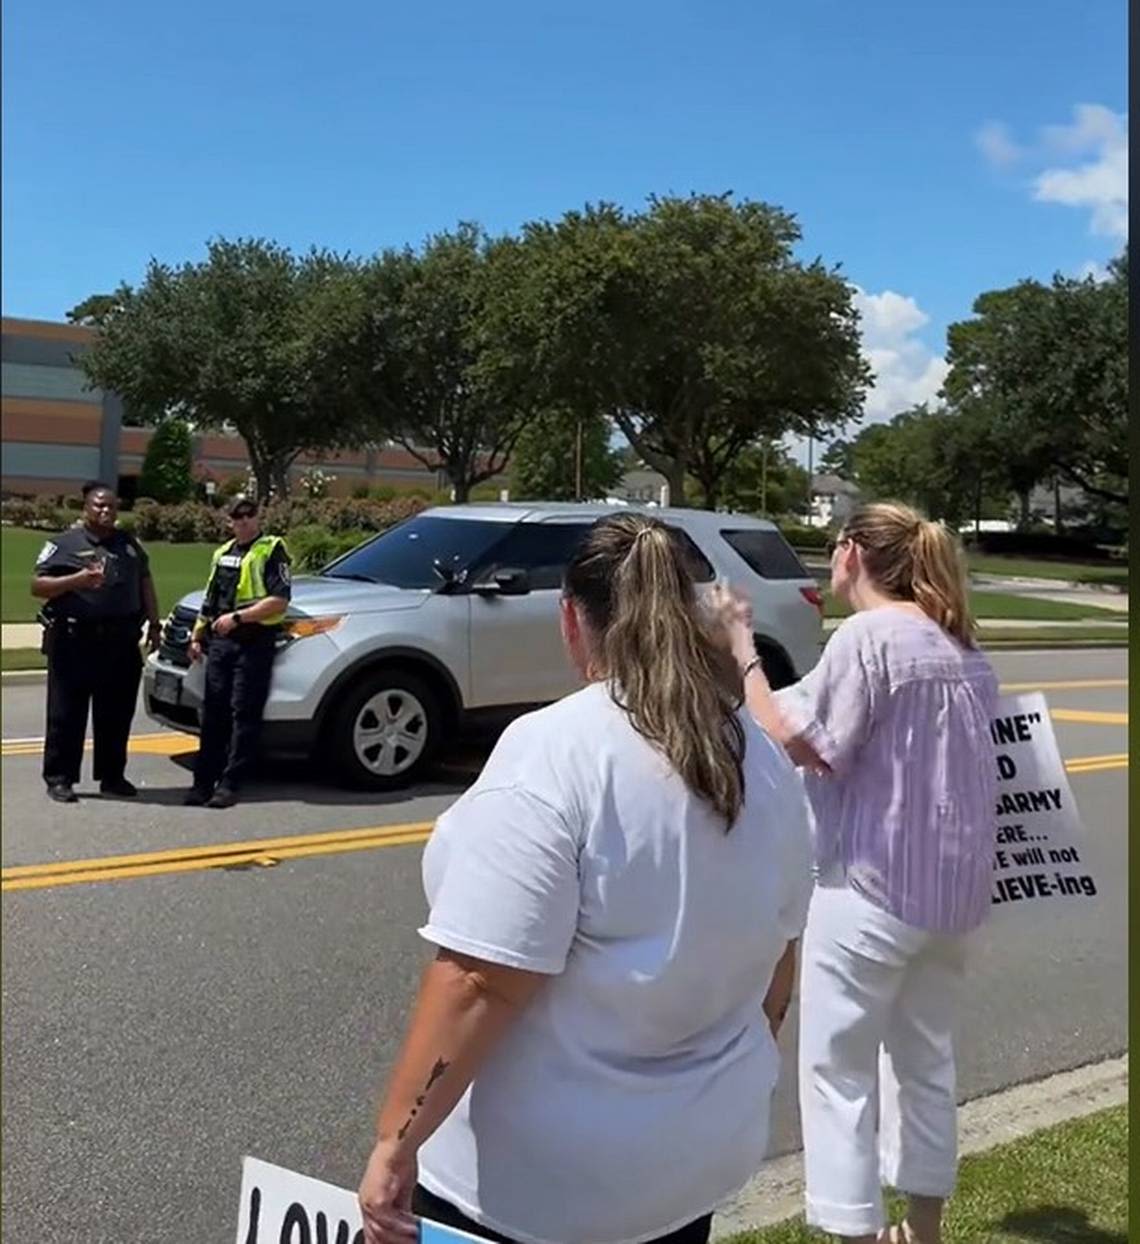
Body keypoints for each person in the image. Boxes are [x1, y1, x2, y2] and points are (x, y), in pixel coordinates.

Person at [357, 513, 813, 1244]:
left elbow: (479, 981)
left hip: (533, 1195)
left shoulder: (550, 752)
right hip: (694, 1166)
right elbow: (777, 968)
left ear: (572, 619)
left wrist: (395, 1142)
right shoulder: (759, 757)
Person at [720, 502, 999, 1244]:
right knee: (924, 1064)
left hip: (869, 890)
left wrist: (742, 645)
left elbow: (796, 736)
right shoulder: (962, 646)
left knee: (838, 1071)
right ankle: (924, 1228)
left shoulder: (869, 638)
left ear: (851, 553)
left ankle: (855, 1234)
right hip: (953, 901)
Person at [31, 481, 162, 803]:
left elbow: (145, 583)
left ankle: (113, 776)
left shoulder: (128, 544)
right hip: (74, 641)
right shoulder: (63, 544)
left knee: (116, 714)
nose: (105, 511)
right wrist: (76, 580)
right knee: (65, 714)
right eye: (99, 505)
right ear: (85, 508)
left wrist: (155, 624)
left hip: (120, 642)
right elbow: (38, 585)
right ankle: (60, 778)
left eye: (111, 507)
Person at [184, 496, 291, 809]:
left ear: (258, 517)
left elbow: (279, 601)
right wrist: (196, 636)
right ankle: (202, 784)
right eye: (237, 516)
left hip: (254, 641)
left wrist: (239, 618)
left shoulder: (271, 550)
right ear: (228, 521)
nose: (244, 521)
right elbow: (210, 599)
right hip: (221, 645)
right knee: (213, 714)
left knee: (244, 714)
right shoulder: (222, 553)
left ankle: (230, 784)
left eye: (249, 514)